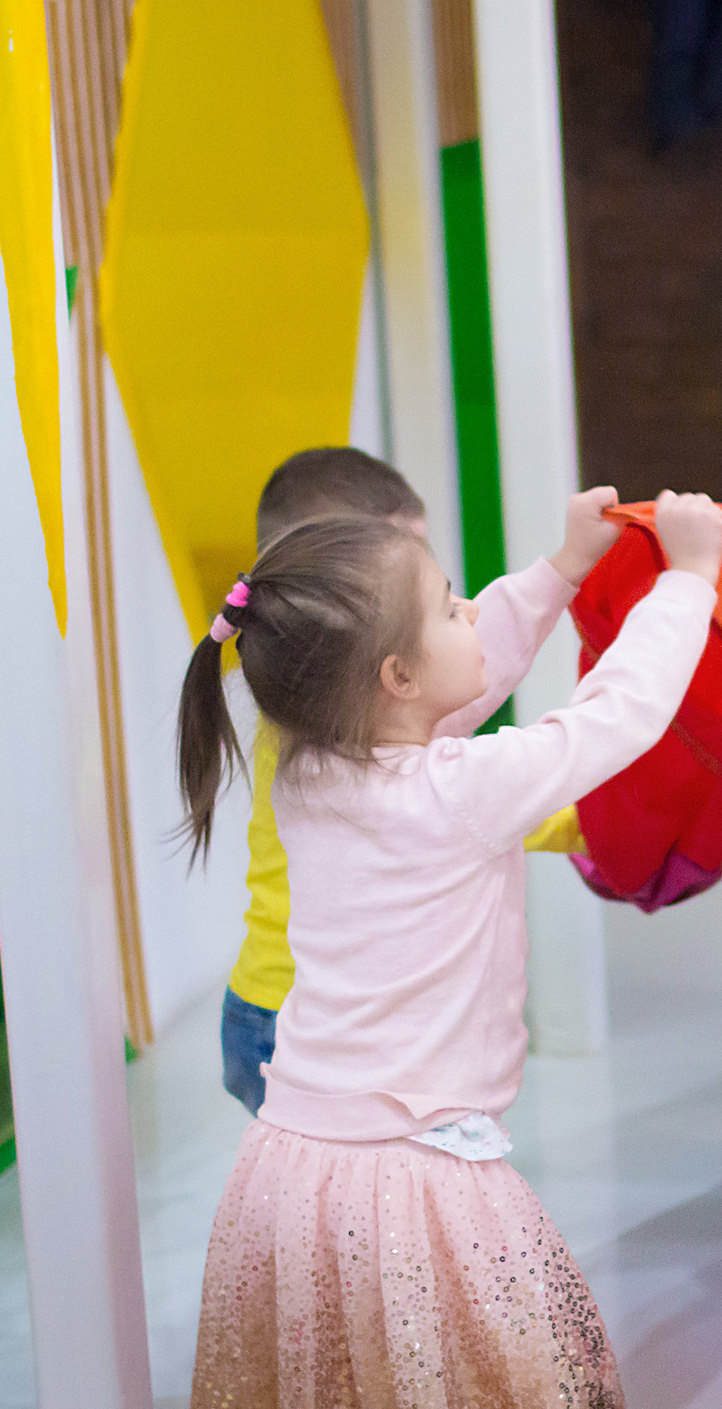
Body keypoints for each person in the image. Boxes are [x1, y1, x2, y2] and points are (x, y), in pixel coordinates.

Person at [176, 486, 722, 1409]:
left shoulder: (315, 769)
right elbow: (615, 718)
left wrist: (560, 572)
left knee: (355, 1406)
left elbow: (450, 693)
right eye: (450, 606)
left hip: (296, 1163)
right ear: (393, 676)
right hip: (416, 1173)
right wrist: (688, 582)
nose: (476, 610)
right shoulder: (458, 791)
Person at [219, 448, 586, 1117]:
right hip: (304, 1023)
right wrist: (584, 823)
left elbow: (491, 655)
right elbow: (451, 812)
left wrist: (563, 571)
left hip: (274, 1004)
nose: (447, 606)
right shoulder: (332, 736)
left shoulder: (318, 700)